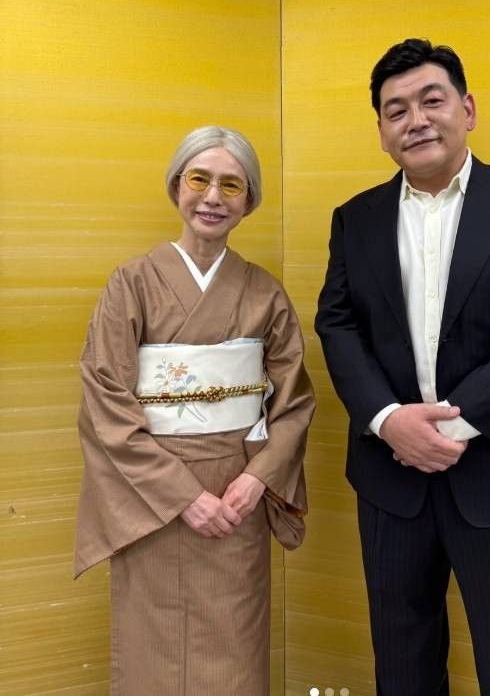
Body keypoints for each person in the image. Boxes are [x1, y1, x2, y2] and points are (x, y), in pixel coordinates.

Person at [315, 39, 490, 695]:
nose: (415, 120)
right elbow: (337, 324)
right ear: (382, 131)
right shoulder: (355, 219)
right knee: (402, 661)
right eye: (395, 110)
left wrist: (453, 424)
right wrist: (387, 420)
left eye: (431, 100)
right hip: (392, 475)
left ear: (466, 109)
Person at [75, 126, 315, 696]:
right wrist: (183, 496)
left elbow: (292, 402)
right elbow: (106, 400)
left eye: (231, 185)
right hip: (151, 498)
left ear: (249, 200)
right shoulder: (131, 284)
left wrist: (256, 481)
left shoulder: (264, 294)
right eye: (199, 179)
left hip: (236, 498)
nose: (212, 197)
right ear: (176, 187)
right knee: (150, 652)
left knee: (235, 652)